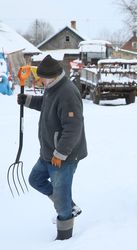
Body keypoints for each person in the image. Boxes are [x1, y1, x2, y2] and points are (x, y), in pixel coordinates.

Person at [17, 55, 87, 240]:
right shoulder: (52, 87)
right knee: (36, 179)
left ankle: (64, 237)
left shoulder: (67, 92)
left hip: (63, 156)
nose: (39, 80)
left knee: (61, 203)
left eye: (41, 78)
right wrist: (28, 100)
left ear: (51, 76)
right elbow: (46, 104)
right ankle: (67, 204)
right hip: (48, 152)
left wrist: (60, 154)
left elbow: (73, 128)